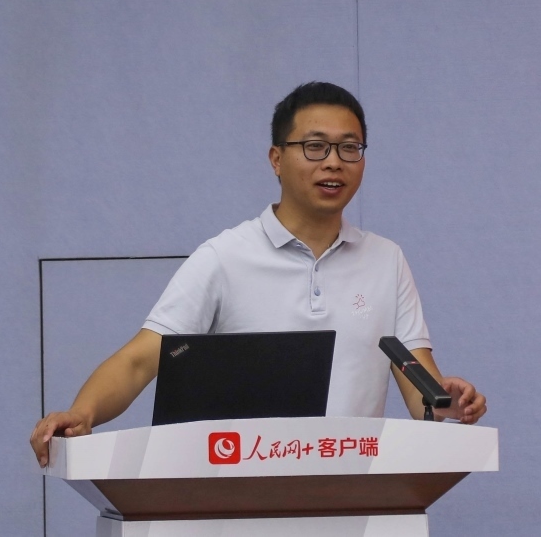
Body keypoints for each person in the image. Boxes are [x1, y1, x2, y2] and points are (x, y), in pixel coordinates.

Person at [31, 82, 487, 467]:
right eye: (315, 146)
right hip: (244, 495)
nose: (334, 162)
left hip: (352, 493)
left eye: (350, 148)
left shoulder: (387, 260)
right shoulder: (225, 257)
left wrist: (447, 402)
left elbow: (421, 390)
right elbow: (140, 360)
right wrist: (83, 413)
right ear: (276, 159)